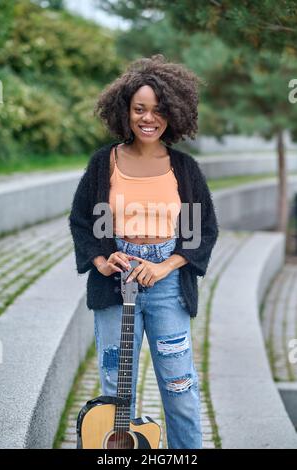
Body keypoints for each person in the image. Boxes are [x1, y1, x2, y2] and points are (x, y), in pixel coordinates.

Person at [68, 54, 219, 449]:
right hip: (117, 285)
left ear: (172, 114)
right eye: (139, 109)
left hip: (167, 286)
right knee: (117, 390)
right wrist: (102, 260)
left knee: (179, 387)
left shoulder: (183, 169)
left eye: (157, 110)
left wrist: (167, 265)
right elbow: (85, 221)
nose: (148, 118)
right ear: (125, 111)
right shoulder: (105, 164)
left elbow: (201, 231)